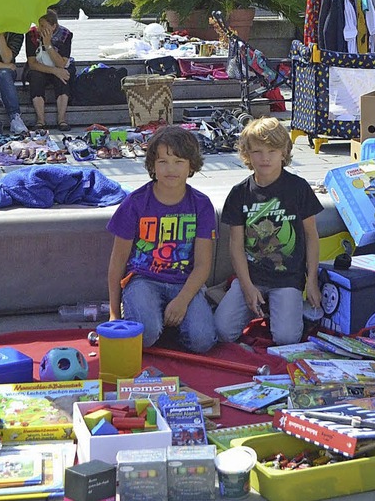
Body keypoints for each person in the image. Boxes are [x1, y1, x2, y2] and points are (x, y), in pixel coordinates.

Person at [106, 125, 217, 353]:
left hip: (183, 282)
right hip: (143, 279)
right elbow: (117, 261)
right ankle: (152, 319)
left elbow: (204, 264)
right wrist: (114, 313)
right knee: (144, 335)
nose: (171, 169)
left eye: (179, 161)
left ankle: (171, 321)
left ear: (191, 166)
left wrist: (183, 300)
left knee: (203, 341)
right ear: (152, 166)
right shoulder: (135, 203)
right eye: (163, 162)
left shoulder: (202, 205)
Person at [213, 117, 323, 345]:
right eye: (257, 151)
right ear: (247, 154)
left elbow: (312, 236)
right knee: (221, 331)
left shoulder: (298, 188)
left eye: (272, 151)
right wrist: (246, 286)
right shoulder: (239, 193)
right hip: (252, 275)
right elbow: (235, 246)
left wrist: (311, 280)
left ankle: (284, 308)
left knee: (286, 338)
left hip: (287, 277)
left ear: (284, 152)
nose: (265, 158)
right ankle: (260, 304)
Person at [25, 9, 75, 132]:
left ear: (53, 26)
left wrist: (48, 45)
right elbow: (32, 63)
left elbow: (61, 64)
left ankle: (62, 119)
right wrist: (54, 71)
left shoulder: (65, 35)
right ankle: (40, 120)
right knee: (36, 77)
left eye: (43, 26)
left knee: (63, 78)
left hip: (59, 66)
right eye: (38, 25)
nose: (40, 29)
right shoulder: (31, 35)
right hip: (40, 67)